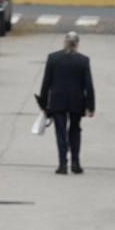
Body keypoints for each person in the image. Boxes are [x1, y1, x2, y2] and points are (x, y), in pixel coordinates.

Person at [38, 31, 95, 174]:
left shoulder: (53, 58)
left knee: (60, 132)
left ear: (64, 42)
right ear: (77, 44)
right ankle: (75, 163)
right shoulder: (83, 60)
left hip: (58, 101)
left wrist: (43, 104)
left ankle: (62, 164)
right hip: (77, 101)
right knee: (75, 131)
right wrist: (90, 105)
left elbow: (46, 82)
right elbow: (88, 85)